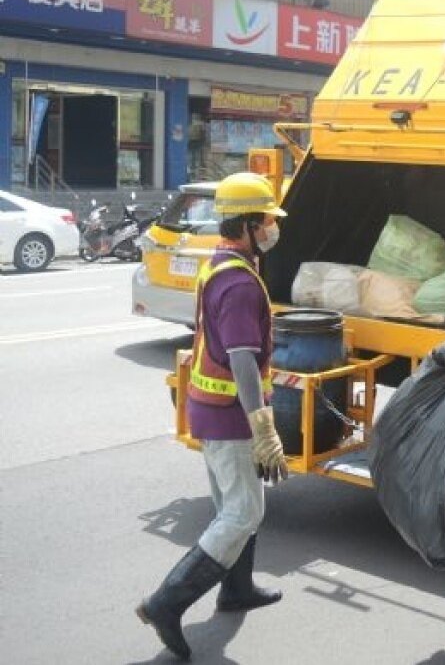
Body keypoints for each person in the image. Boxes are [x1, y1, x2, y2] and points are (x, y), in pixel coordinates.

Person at [137, 173, 290, 661]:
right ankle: (166, 602)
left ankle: (237, 589)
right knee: (244, 512)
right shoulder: (240, 284)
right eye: (266, 220)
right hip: (230, 415)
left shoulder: (220, 263)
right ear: (246, 225)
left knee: (234, 506)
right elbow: (243, 359)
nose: (272, 228)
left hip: (209, 406)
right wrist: (262, 427)